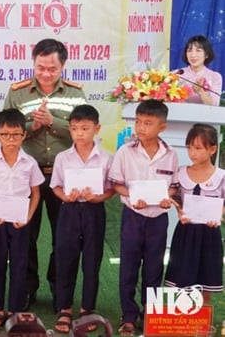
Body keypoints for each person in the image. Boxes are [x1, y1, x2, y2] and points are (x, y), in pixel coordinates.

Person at [3, 38, 87, 309]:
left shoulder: (75, 93)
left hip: (66, 176)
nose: (46, 73)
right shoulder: (18, 92)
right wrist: (32, 126)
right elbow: (7, 131)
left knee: (65, 236)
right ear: (33, 63)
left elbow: (84, 130)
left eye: (52, 68)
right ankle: (27, 288)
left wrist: (54, 122)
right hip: (27, 175)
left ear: (63, 65)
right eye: (40, 67)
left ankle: (58, 288)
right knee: (24, 233)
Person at [108, 99, 179, 336]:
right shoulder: (125, 152)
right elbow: (116, 184)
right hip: (133, 216)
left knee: (154, 266)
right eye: (138, 122)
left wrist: (166, 197)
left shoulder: (170, 155)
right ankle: (128, 315)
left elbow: (173, 187)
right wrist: (132, 196)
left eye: (147, 123)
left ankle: (150, 313)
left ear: (162, 127)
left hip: (158, 218)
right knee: (128, 266)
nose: (140, 128)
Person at [0, 108, 44, 332]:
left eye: (16, 134)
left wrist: (27, 217)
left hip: (20, 221)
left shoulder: (30, 163)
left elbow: (36, 193)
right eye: (5, 134)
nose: (11, 139)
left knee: (20, 264)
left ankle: (16, 310)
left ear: (24, 135)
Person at [49, 104, 114, 333]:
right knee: (65, 259)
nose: (80, 133)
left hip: (94, 212)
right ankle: (64, 309)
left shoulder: (106, 158)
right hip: (69, 211)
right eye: (75, 128)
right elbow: (55, 186)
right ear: (69, 130)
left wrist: (99, 198)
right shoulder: (63, 157)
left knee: (91, 260)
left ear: (97, 129)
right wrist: (65, 196)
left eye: (85, 128)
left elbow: (111, 188)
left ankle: (87, 310)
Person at [165, 124, 224, 305]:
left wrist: (218, 215)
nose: (192, 153)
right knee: (182, 273)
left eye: (198, 148)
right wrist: (178, 209)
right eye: (189, 147)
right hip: (186, 232)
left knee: (207, 274)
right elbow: (174, 197)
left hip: (209, 233)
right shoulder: (181, 172)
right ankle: (184, 318)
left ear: (212, 149)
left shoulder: (221, 176)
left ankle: (203, 320)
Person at [179, 35, 222, 105]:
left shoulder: (215, 77)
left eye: (198, 50)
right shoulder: (176, 74)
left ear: (207, 54)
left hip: (206, 115)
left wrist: (200, 91)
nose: (193, 55)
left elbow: (215, 104)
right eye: (189, 50)